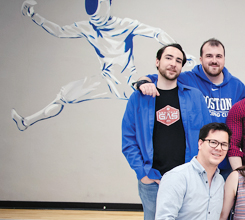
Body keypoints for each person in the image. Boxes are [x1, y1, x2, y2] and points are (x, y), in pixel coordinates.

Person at [137, 38, 245, 220]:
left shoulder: (237, 86)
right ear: (200, 59)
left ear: (224, 59)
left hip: (224, 167)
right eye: (209, 56)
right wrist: (140, 82)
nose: (214, 61)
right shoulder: (187, 78)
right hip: (198, 164)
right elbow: (153, 78)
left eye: (218, 56)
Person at [13, 0, 181, 131]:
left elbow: (156, 32)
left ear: (107, 4)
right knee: (63, 96)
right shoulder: (88, 27)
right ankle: (26, 122)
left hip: (127, 82)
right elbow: (60, 31)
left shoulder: (125, 25)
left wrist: (178, 53)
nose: (95, 15)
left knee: (150, 94)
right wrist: (34, 15)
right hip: (105, 81)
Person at [121, 43, 209, 220]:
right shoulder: (139, 98)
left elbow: (208, 136)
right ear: (157, 62)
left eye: (179, 61)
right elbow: (128, 140)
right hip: (154, 180)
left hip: (187, 179)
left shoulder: (194, 97)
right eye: (169, 58)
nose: (173, 64)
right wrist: (143, 173)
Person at [148, 122, 231, 220]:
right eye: (213, 142)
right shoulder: (178, 176)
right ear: (200, 144)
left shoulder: (220, 182)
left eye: (224, 144)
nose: (218, 148)